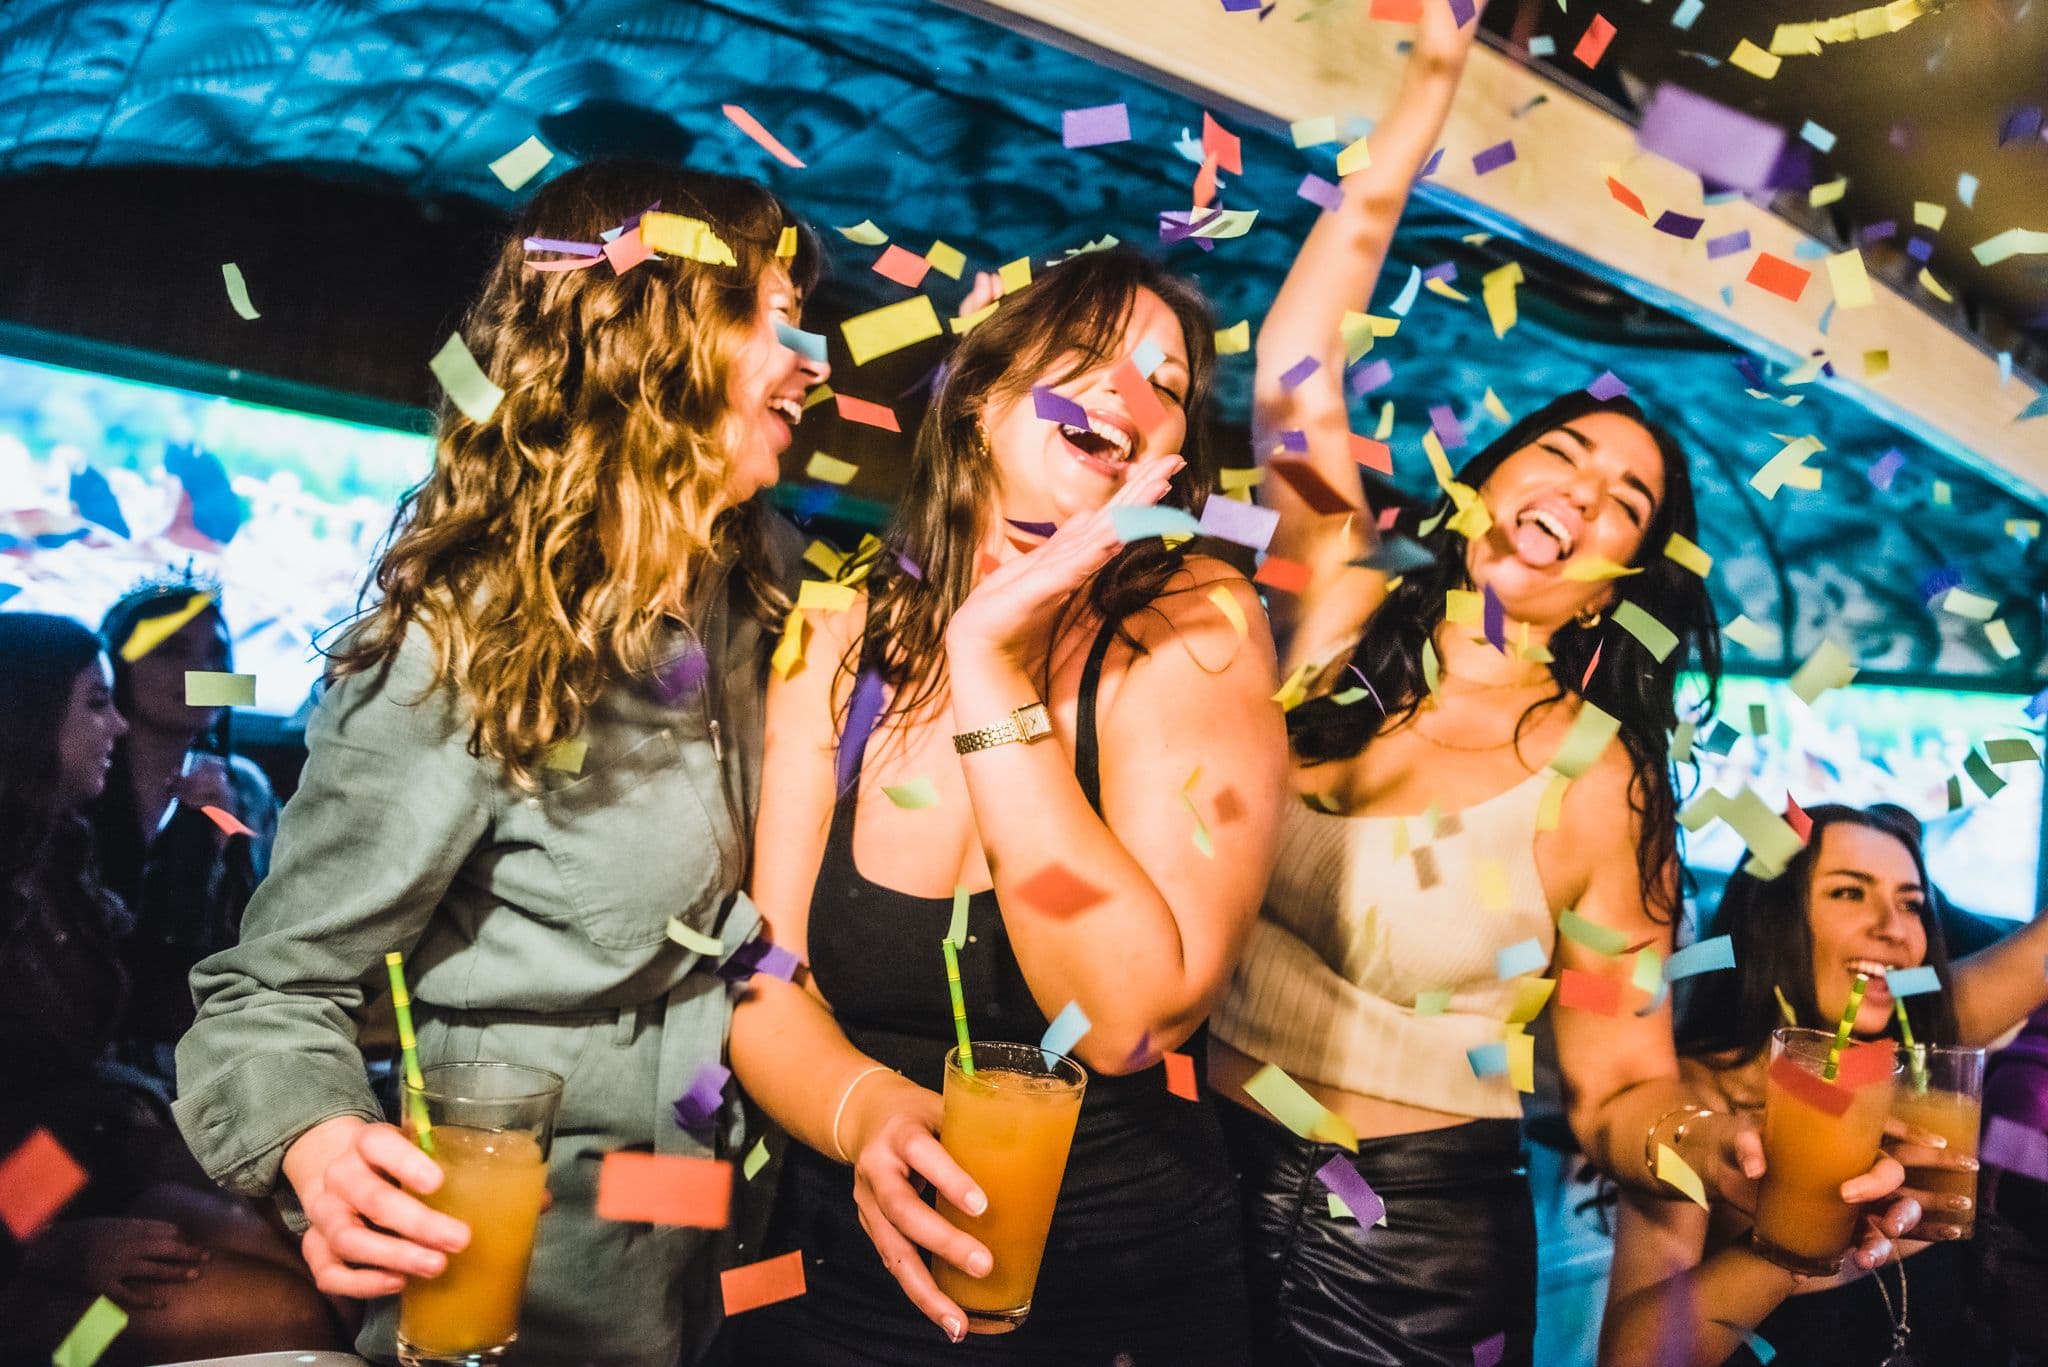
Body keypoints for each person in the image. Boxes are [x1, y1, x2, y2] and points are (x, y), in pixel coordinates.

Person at [1198, 6, 1900, 1364]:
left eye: (1626, 499)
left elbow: (1619, 1078)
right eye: (1565, 452)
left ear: (1627, 578)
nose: (1584, 490)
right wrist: (1428, 96)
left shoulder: (1596, 770)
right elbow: (1298, 369)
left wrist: (1712, 1146)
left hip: (1407, 1247)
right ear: (1484, 489)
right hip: (1183, 1174)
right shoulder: (1333, 614)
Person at [172, 162, 828, 1367]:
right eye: (772, 316)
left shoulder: (763, 593)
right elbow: (267, 996)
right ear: (652, 331)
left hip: (732, 1269)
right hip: (525, 1295)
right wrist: (317, 1144)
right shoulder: (460, 643)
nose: (816, 357)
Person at [726, 245, 1289, 1364]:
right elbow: (762, 973)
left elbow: (1128, 1017)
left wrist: (988, 663)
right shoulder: (832, 635)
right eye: (1087, 359)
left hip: (1112, 1299)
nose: (1128, 397)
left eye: (1165, 386)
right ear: (981, 401)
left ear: (1173, 456)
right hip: (839, 1279)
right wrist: (864, 1110)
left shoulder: (1196, 620)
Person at [0, 612, 341, 1364]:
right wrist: (47, 1247)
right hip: (29, 1218)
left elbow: (189, 963)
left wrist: (202, 836)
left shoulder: (64, 842)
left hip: (73, 1157)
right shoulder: (95, 803)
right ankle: (63, 1353)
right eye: (97, 701)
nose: (116, 723)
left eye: (218, 654)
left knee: (306, 1262)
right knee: (286, 1314)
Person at [1600, 803, 2048, 1366]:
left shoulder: (1917, 1054)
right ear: (1777, 913)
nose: (1892, 927)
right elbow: (1630, 1359)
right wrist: (1798, 1236)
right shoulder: (1699, 1103)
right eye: (1848, 893)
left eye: (1911, 903)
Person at [85, 577, 279, 1086]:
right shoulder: (76, 781)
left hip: (206, 1056)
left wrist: (228, 844)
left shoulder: (245, 788)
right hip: (87, 1059)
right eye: (172, 650)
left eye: (218, 656)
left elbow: (273, 941)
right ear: (117, 667)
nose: (204, 672)